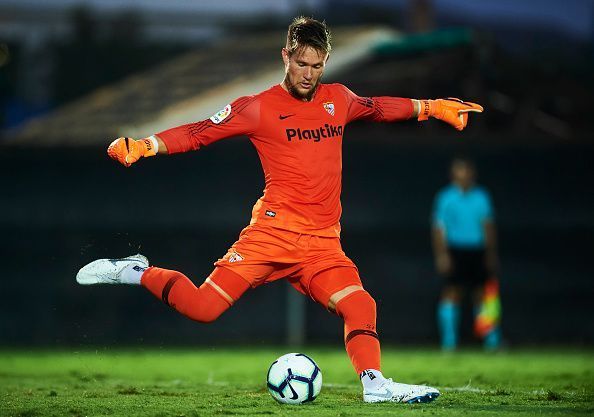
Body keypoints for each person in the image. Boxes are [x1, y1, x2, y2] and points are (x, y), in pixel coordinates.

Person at [77, 16, 483, 403]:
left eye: (317, 65)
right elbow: (200, 133)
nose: (309, 73)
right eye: (302, 63)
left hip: (323, 243)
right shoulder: (257, 107)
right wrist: (145, 145)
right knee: (202, 308)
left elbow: (378, 107)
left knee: (361, 304)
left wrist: (433, 107)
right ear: (286, 56)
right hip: (272, 236)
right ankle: (134, 270)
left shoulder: (337, 99)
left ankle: (374, 385)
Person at [432, 158, 501, 351]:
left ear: (472, 174)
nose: (464, 176)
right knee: (452, 294)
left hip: (477, 250)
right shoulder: (445, 198)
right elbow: (439, 229)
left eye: (467, 171)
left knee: (483, 295)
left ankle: (491, 340)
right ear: (454, 175)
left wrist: (490, 253)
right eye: (460, 172)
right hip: (455, 250)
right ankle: (449, 342)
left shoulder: (482, 197)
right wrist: (442, 255)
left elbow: (488, 226)